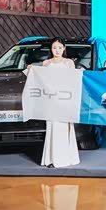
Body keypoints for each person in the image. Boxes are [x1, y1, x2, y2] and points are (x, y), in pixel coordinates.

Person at [39, 38, 80, 168]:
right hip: (51, 100)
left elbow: (73, 80)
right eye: (54, 48)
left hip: (64, 100)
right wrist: (32, 69)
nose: (57, 50)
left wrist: (80, 73)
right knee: (52, 128)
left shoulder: (69, 63)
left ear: (64, 48)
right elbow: (41, 80)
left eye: (59, 48)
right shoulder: (46, 63)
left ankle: (64, 158)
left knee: (63, 127)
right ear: (51, 49)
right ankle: (51, 159)